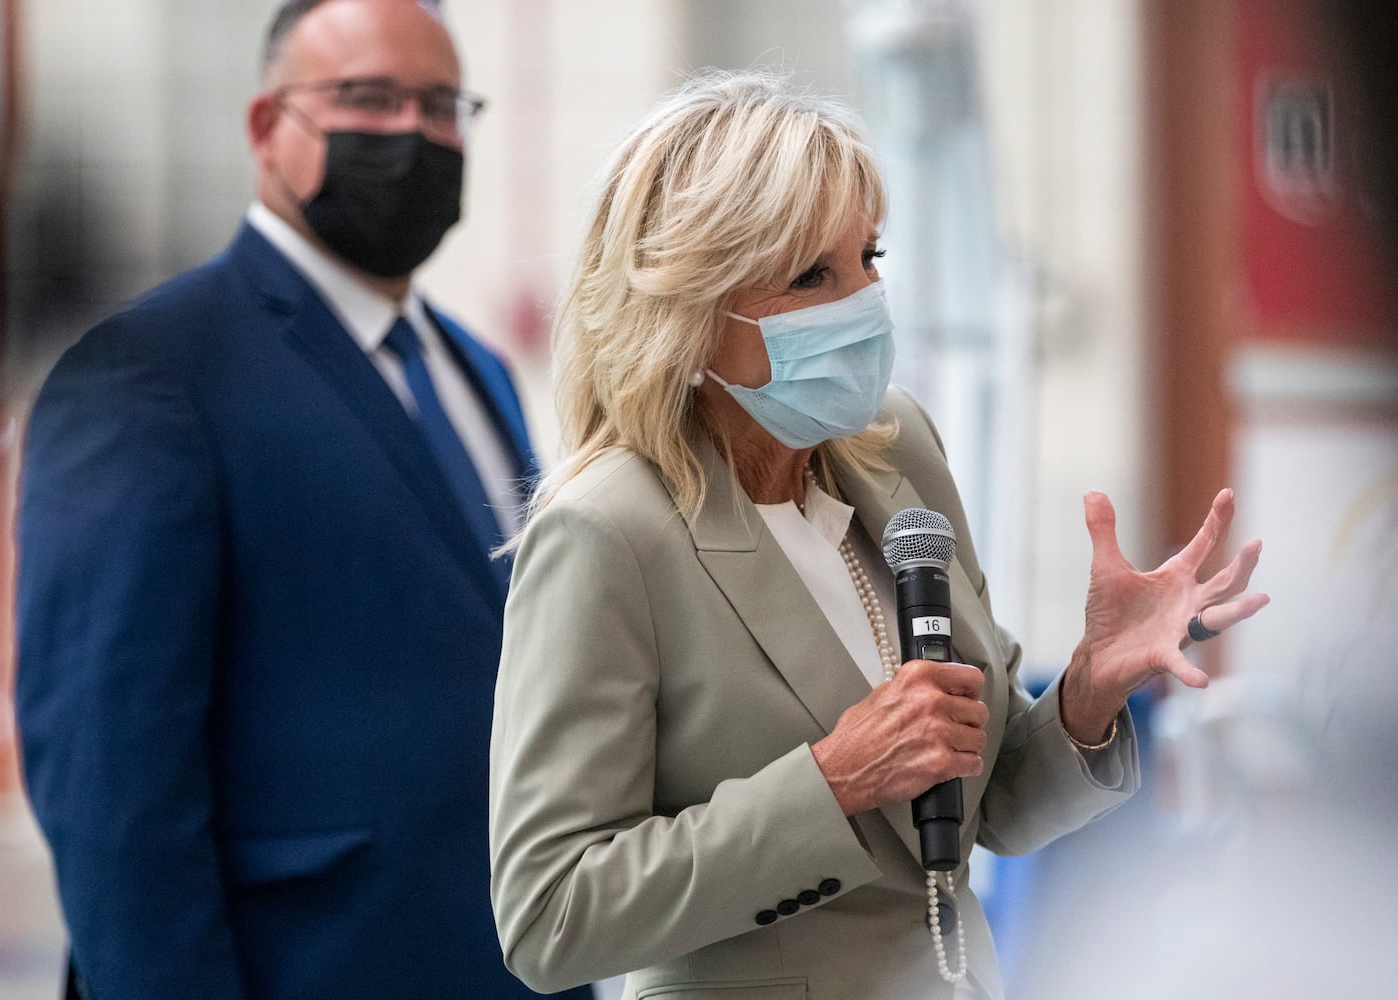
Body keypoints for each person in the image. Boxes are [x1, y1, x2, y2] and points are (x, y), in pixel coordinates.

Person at [488, 72, 1269, 1000]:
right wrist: (831, 780)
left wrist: (1090, 689)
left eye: (869, 257)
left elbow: (992, 806)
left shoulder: (897, 451)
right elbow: (549, 913)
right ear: (690, 316)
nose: (864, 301)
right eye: (813, 275)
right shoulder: (608, 532)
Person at [14, 2, 590, 997]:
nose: (411, 132)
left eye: (442, 104)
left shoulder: (482, 374)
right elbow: (111, 787)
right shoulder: (152, 374)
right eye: (367, 98)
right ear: (265, 126)